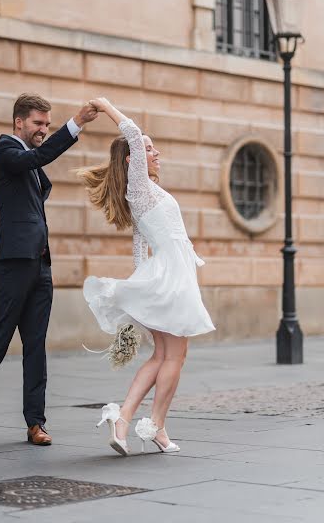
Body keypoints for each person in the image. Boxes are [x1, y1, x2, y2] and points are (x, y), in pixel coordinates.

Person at [0, 93, 98, 446]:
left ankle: (36, 423)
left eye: (48, 124)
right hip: (11, 264)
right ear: (19, 122)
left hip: (39, 263)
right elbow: (39, 156)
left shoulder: (28, 163)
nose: (43, 130)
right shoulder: (6, 151)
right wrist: (75, 122)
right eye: (38, 123)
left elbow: (37, 185)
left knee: (36, 346)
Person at [79, 98, 215, 456]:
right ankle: (153, 426)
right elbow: (133, 134)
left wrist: (142, 293)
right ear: (132, 160)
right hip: (173, 277)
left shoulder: (143, 193)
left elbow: (140, 249)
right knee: (174, 357)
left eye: (153, 149)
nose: (154, 153)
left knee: (160, 356)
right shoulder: (138, 186)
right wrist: (107, 106)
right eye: (148, 149)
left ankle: (124, 422)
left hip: (164, 277)